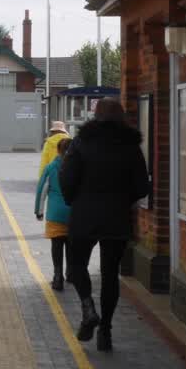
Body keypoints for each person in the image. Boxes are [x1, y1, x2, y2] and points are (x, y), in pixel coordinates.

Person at [59, 97, 150, 352]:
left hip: (84, 215)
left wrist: (74, 201)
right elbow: (142, 186)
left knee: (77, 264)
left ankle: (88, 308)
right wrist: (123, 200)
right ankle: (106, 332)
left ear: (95, 117)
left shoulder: (81, 142)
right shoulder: (131, 147)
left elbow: (66, 177)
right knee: (111, 274)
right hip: (117, 218)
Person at [35, 137, 72, 291]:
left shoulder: (50, 167)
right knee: (71, 245)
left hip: (55, 213)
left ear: (57, 150)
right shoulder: (77, 167)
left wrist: (39, 211)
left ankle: (58, 277)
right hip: (73, 214)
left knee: (57, 245)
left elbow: (42, 190)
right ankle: (71, 273)